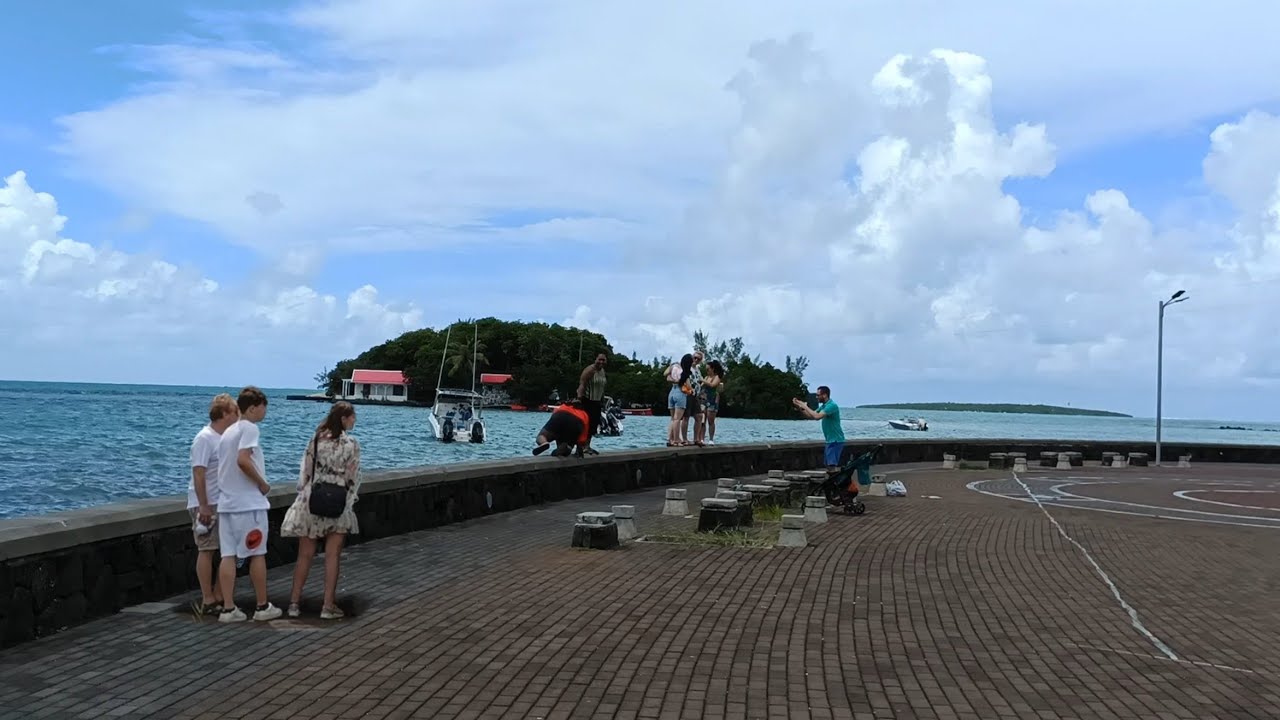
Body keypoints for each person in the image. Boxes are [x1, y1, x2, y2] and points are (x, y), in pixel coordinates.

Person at [282, 402, 361, 620]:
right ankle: (327, 606)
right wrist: (348, 498)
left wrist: (305, 492)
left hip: (312, 500)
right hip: (337, 501)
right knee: (332, 556)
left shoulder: (316, 440)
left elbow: (305, 472)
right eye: (352, 417)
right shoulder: (351, 444)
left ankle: (294, 604)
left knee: (304, 555)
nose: (354, 421)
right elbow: (352, 478)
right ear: (344, 419)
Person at [215, 386, 283, 623]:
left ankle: (228, 608)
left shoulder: (227, 433)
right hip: (248, 504)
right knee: (257, 554)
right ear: (254, 407)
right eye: (264, 407)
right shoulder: (249, 429)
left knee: (228, 555)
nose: (265, 412)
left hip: (226, 504)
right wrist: (262, 484)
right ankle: (262, 606)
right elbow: (243, 460)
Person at [187, 393, 239, 615]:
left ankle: (218, 594)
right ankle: (208, 597)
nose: (238, 416)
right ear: (224, 414)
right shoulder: (205, 438)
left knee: (227, 550)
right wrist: (204, 505)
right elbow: (199, 473)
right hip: (207, 502)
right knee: (207, 548)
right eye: (235, 412)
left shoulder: (224, 438)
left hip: (223, 500)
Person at [792, 385, 845, 472]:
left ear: (824, 395)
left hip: (836, 440)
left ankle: (835, 482)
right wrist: (799, 407)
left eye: (818, 395)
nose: (816, 397)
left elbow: (817, 416)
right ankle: (833, 481)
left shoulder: (831, 405)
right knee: (827, 464)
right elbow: (811, 416)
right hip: (830, 440)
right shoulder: (824, 406)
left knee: (831, 465)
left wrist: (805, 406)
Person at [576, 352, 608, 455]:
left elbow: (602, 387)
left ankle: (587, 446)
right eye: (599, 359)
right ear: (596, 359)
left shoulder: (602, 371)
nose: (601, 362)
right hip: (587, 401)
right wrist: (579, 399)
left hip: (597, 402)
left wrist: (602, 401)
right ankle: (580, 447)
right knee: (585, 425)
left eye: (603, 360)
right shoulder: (589, 370)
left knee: (593, 426)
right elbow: (582, 384)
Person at [666, 354, 694, 446]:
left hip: (671, 392)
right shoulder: (685, 372)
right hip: (680, 393)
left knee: (673, 419)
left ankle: (670, 439)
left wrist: (674, 379)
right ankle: (677, 440)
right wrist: (692, 391)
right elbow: (689, 387)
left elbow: (666, 376)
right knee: (677, 419)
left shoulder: (675, 368)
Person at [683, 350, 707, 446]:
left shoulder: (697, 369)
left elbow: (701, 379)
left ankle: (696, 439)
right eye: (695, 357)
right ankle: (684, 439)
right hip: (687, 394)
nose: (696, 360)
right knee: (686, 417)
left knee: (699, 416)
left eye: (698, 359)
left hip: (695, 395)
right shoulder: (686, 367)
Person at [701, 360, 725, 445]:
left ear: (712, 369)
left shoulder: (717, 377)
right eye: (706, 369)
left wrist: (702, 381)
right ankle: (702, 439)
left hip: (712, 401)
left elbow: (712, 385)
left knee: (711, 421)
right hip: (704, 401)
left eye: (708, 369)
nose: (707, 371)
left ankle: (711, 439)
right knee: (702, 421)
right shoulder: (706, 377)